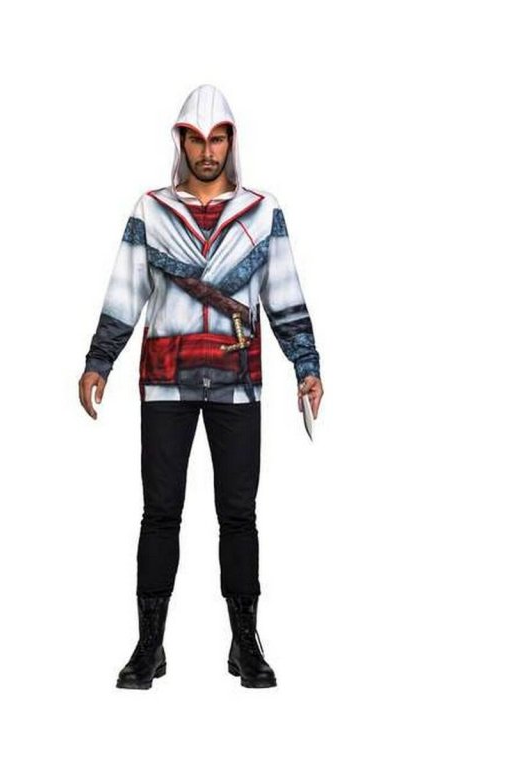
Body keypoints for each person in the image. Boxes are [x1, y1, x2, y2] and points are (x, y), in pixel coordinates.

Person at [78, 84, 323, 689]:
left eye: (217, 139)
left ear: (231, 141)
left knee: (239, 516)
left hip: (238, 384)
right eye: (196, 139)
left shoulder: (262, 213)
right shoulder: (151, 211)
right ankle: (149, 645)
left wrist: (307, 365)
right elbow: (126, 290)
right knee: (160, 514)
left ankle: (246, 643)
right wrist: (99, 360)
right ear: (181, 142)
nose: (207, 151)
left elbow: (284, 294)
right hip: (166, 382)